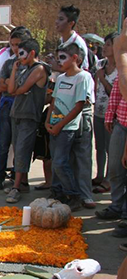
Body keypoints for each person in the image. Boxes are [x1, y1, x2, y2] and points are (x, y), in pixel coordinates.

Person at [44, 43, 93, 211]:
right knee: (56, 160)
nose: (60, 61)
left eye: (63, 58)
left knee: (60, 162)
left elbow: (79, 106)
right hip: (54, 126)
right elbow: (54, 100)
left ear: (75, 58)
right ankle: (57, 192)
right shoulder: (61, 78)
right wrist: (48, 121)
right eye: (58, 58)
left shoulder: (83, 77)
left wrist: (61, 125)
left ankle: (74, 195)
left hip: (68, 127)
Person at [5, 39, 50, 203]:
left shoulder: (40, 69)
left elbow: (21, 90)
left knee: (23, 151)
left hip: (29, 116)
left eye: (22, 53)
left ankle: (16, 187)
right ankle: (21, 182)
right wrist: (15, 71)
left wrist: (16, 85)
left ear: (32, 53)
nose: (19, 56)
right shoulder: (23, 69)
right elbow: (11, 90)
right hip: (16, 114)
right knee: (18, 150)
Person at [0, 29, 31, 190]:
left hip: (23, 108)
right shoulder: (9, 63)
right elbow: (2, 86)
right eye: (12, 45)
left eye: (18, 45)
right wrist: (11, 83)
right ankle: (0, 176)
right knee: (3, 142)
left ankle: (19, 178)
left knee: (20, 145)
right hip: (7, 105)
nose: (15, 48)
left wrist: (11, 84)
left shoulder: (32, 65)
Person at [92, 32, 118, 195]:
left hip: (113, 116)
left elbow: (115, 93)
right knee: (99, 146)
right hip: (99, 112)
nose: (105, 47)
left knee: (111, 148)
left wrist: (103, 79)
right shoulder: (100, 65)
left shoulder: (122, 69)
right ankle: (99, 175)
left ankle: (109, 179)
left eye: (109, 44)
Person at [54, 5, 89, 71]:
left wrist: (56, 67)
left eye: (61, 19)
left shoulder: (78, 43)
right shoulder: (61, 41)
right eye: (57, 18)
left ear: (71, 23)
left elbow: (83, 69)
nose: (56, 22)